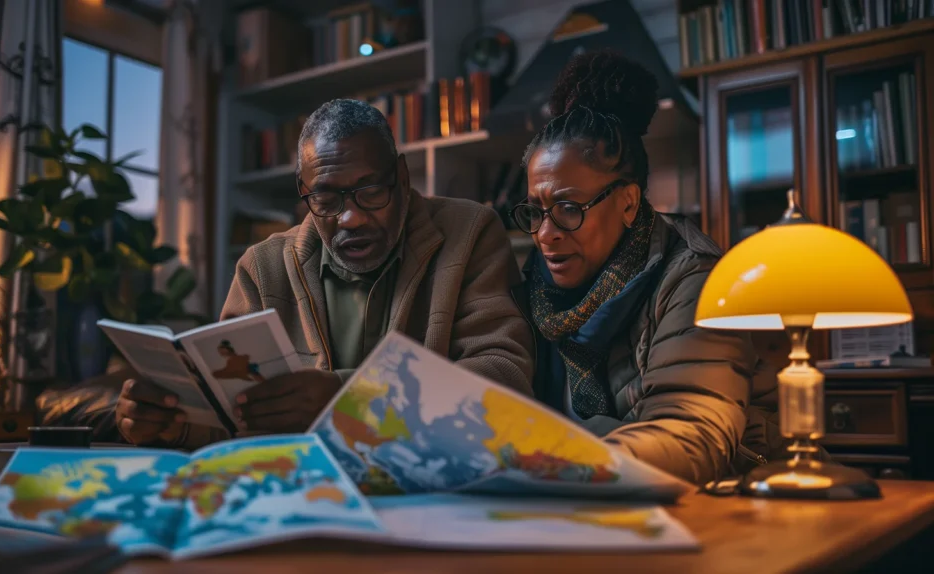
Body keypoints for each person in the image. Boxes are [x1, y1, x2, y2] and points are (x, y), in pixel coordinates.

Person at [116, 98, 535, 448]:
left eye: (371, 191)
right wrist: (172, 424)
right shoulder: (261, 268)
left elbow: (506, 377)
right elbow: (233, 416)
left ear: (402, 179)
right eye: (326, 198)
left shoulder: (470, 232)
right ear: (303, 190)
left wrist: (345, 396)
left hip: (431, 485)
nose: (350, 218)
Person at [510, 50, 782, 485]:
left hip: (730, 506)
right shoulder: (535, 288)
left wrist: (554, 458)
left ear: (629, 203)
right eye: (535, 211)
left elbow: (693, 439)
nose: (545, 234)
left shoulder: (695, 279)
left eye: (567, 208)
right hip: (600, 505)